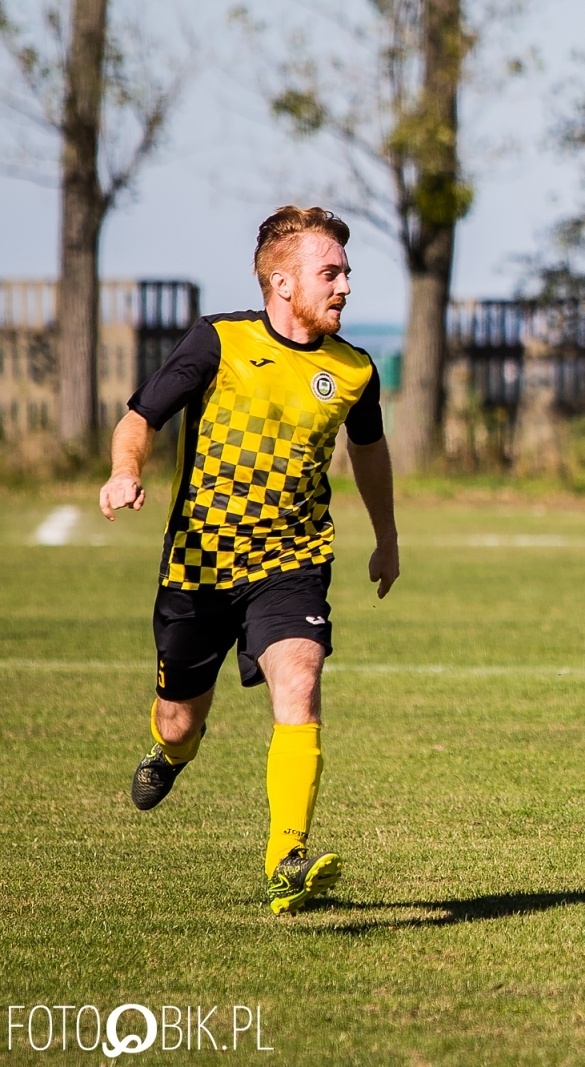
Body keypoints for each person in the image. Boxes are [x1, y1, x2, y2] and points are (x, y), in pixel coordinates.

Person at [97, 205, 400, 915]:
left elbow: (369, 450)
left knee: (301, 678)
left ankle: (285, 860)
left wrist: (386, 537)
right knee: (180, 719)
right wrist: (124, 469)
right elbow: (140, 416)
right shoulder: (218, 341)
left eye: (347, 272)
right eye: (330, 272)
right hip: (200, 565)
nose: (345, 286)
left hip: (293, 560)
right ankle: (172, 752)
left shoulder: (354, 370)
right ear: (282, 282)